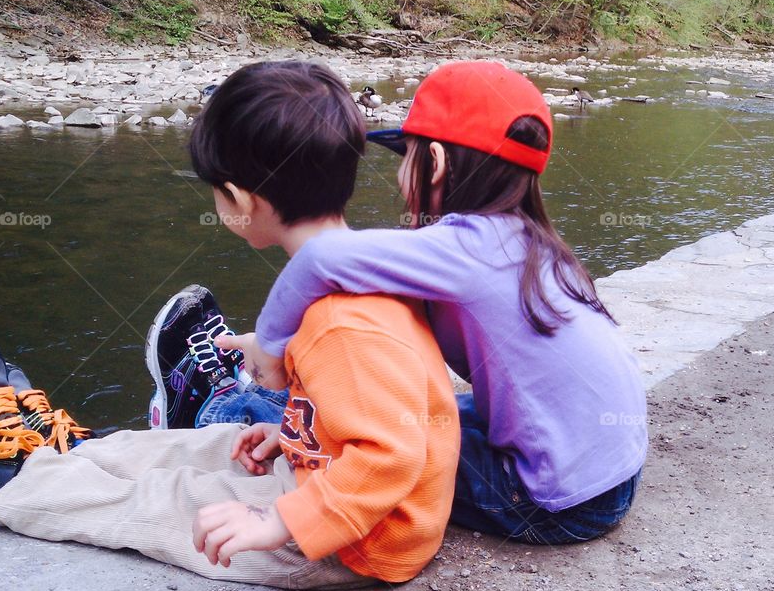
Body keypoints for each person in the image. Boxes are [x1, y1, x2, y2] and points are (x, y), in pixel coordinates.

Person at [0, 60, 460, 588]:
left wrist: (277, 522)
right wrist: (300, 434)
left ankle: (6, 483)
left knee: (163, 502)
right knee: (201, 445)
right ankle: (61, 454)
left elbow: (393, 454)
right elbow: (374, 406)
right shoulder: (360, 270)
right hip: (332, 487)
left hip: (353, 541)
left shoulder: (342, 322)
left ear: (239, 200)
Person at [228, 60, 649, 545]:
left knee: (374, 449)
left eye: (403, 158)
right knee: (413, 415)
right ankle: (274, 417)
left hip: (556, 499)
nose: (399, 176)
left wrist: (271, 346)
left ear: (437, 161)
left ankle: (217, 403)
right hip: (609, 471)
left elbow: (320, 257)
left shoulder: (466, 246)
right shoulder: (529, 243)